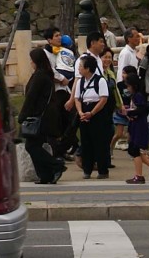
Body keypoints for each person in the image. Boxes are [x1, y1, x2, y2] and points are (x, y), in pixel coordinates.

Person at [18, 46, 69, 185]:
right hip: (46, 116)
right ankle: (45, 175)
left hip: (41, 117)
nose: (30, 62)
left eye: (31, 60)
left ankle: (56, 165)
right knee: (35, 145)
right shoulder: (45, 74)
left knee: (31, 146)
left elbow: (31, 98)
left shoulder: (40, 76)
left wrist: (22, 116)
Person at [71, 54, 114, 179]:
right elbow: (77, 98)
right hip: (84, 112)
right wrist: (80, 112)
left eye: (80, 66)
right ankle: (87, 169)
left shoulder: (100, 81)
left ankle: (102, 170)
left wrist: (92, 113)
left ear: (88, 68)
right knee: (86, 142)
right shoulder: (80, 82)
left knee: (99, 142)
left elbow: (103, 99)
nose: (79, 69)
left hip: (97, 113)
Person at [119, 65, 149, 183]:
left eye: (129, 85)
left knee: (135, 149)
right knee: (132, 149)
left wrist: (130, 112)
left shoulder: (138, 96)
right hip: (135, 124)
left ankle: (139, 175)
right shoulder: (135, 96)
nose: (128, 88)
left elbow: (142, 110)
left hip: (139, 125)